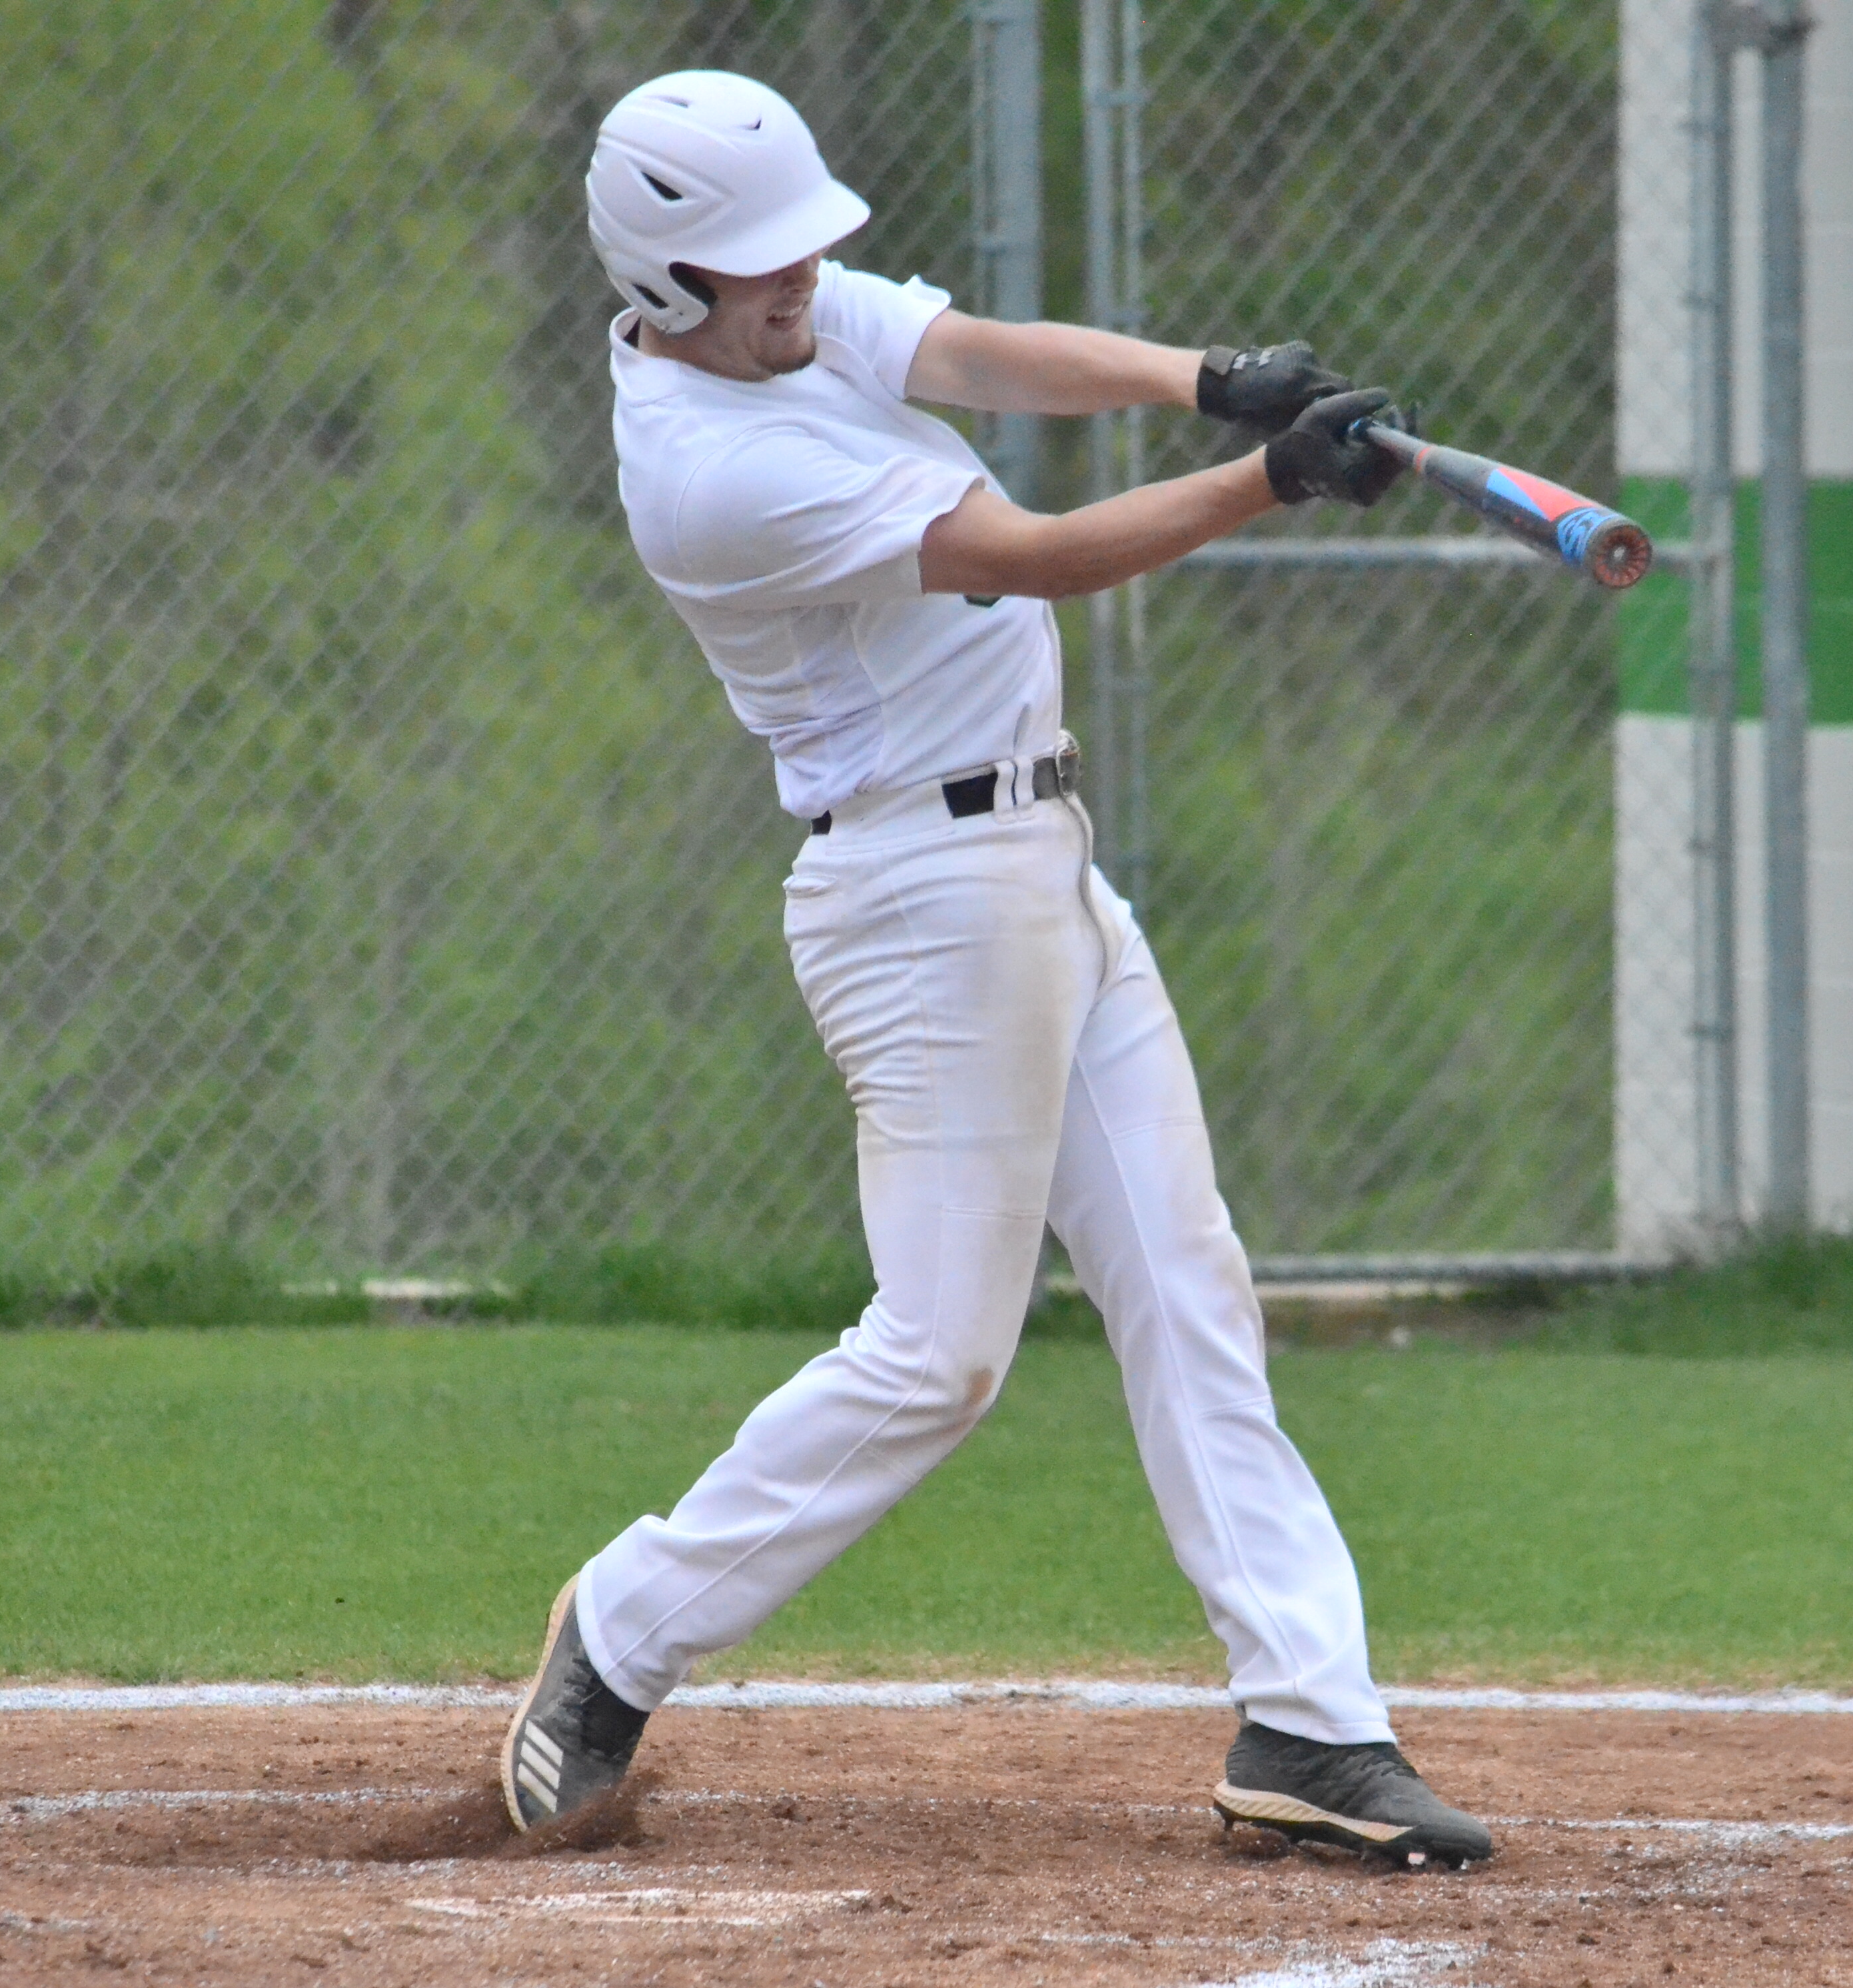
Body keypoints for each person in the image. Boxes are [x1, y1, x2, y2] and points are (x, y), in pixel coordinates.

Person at [496, 69, 1493, 1869]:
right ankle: (625, 1629)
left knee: (1188, 1285)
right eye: (755, 263)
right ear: (659, 283)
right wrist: (1266, 478)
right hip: (921, 899)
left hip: (1039, 860)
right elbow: (1035, 558)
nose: (798, 280)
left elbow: (980, 354)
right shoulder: (713, 471)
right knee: (938, 1360)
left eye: (801, 248)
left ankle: (1312, 1721)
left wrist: (1210, 378)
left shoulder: (788, 324)